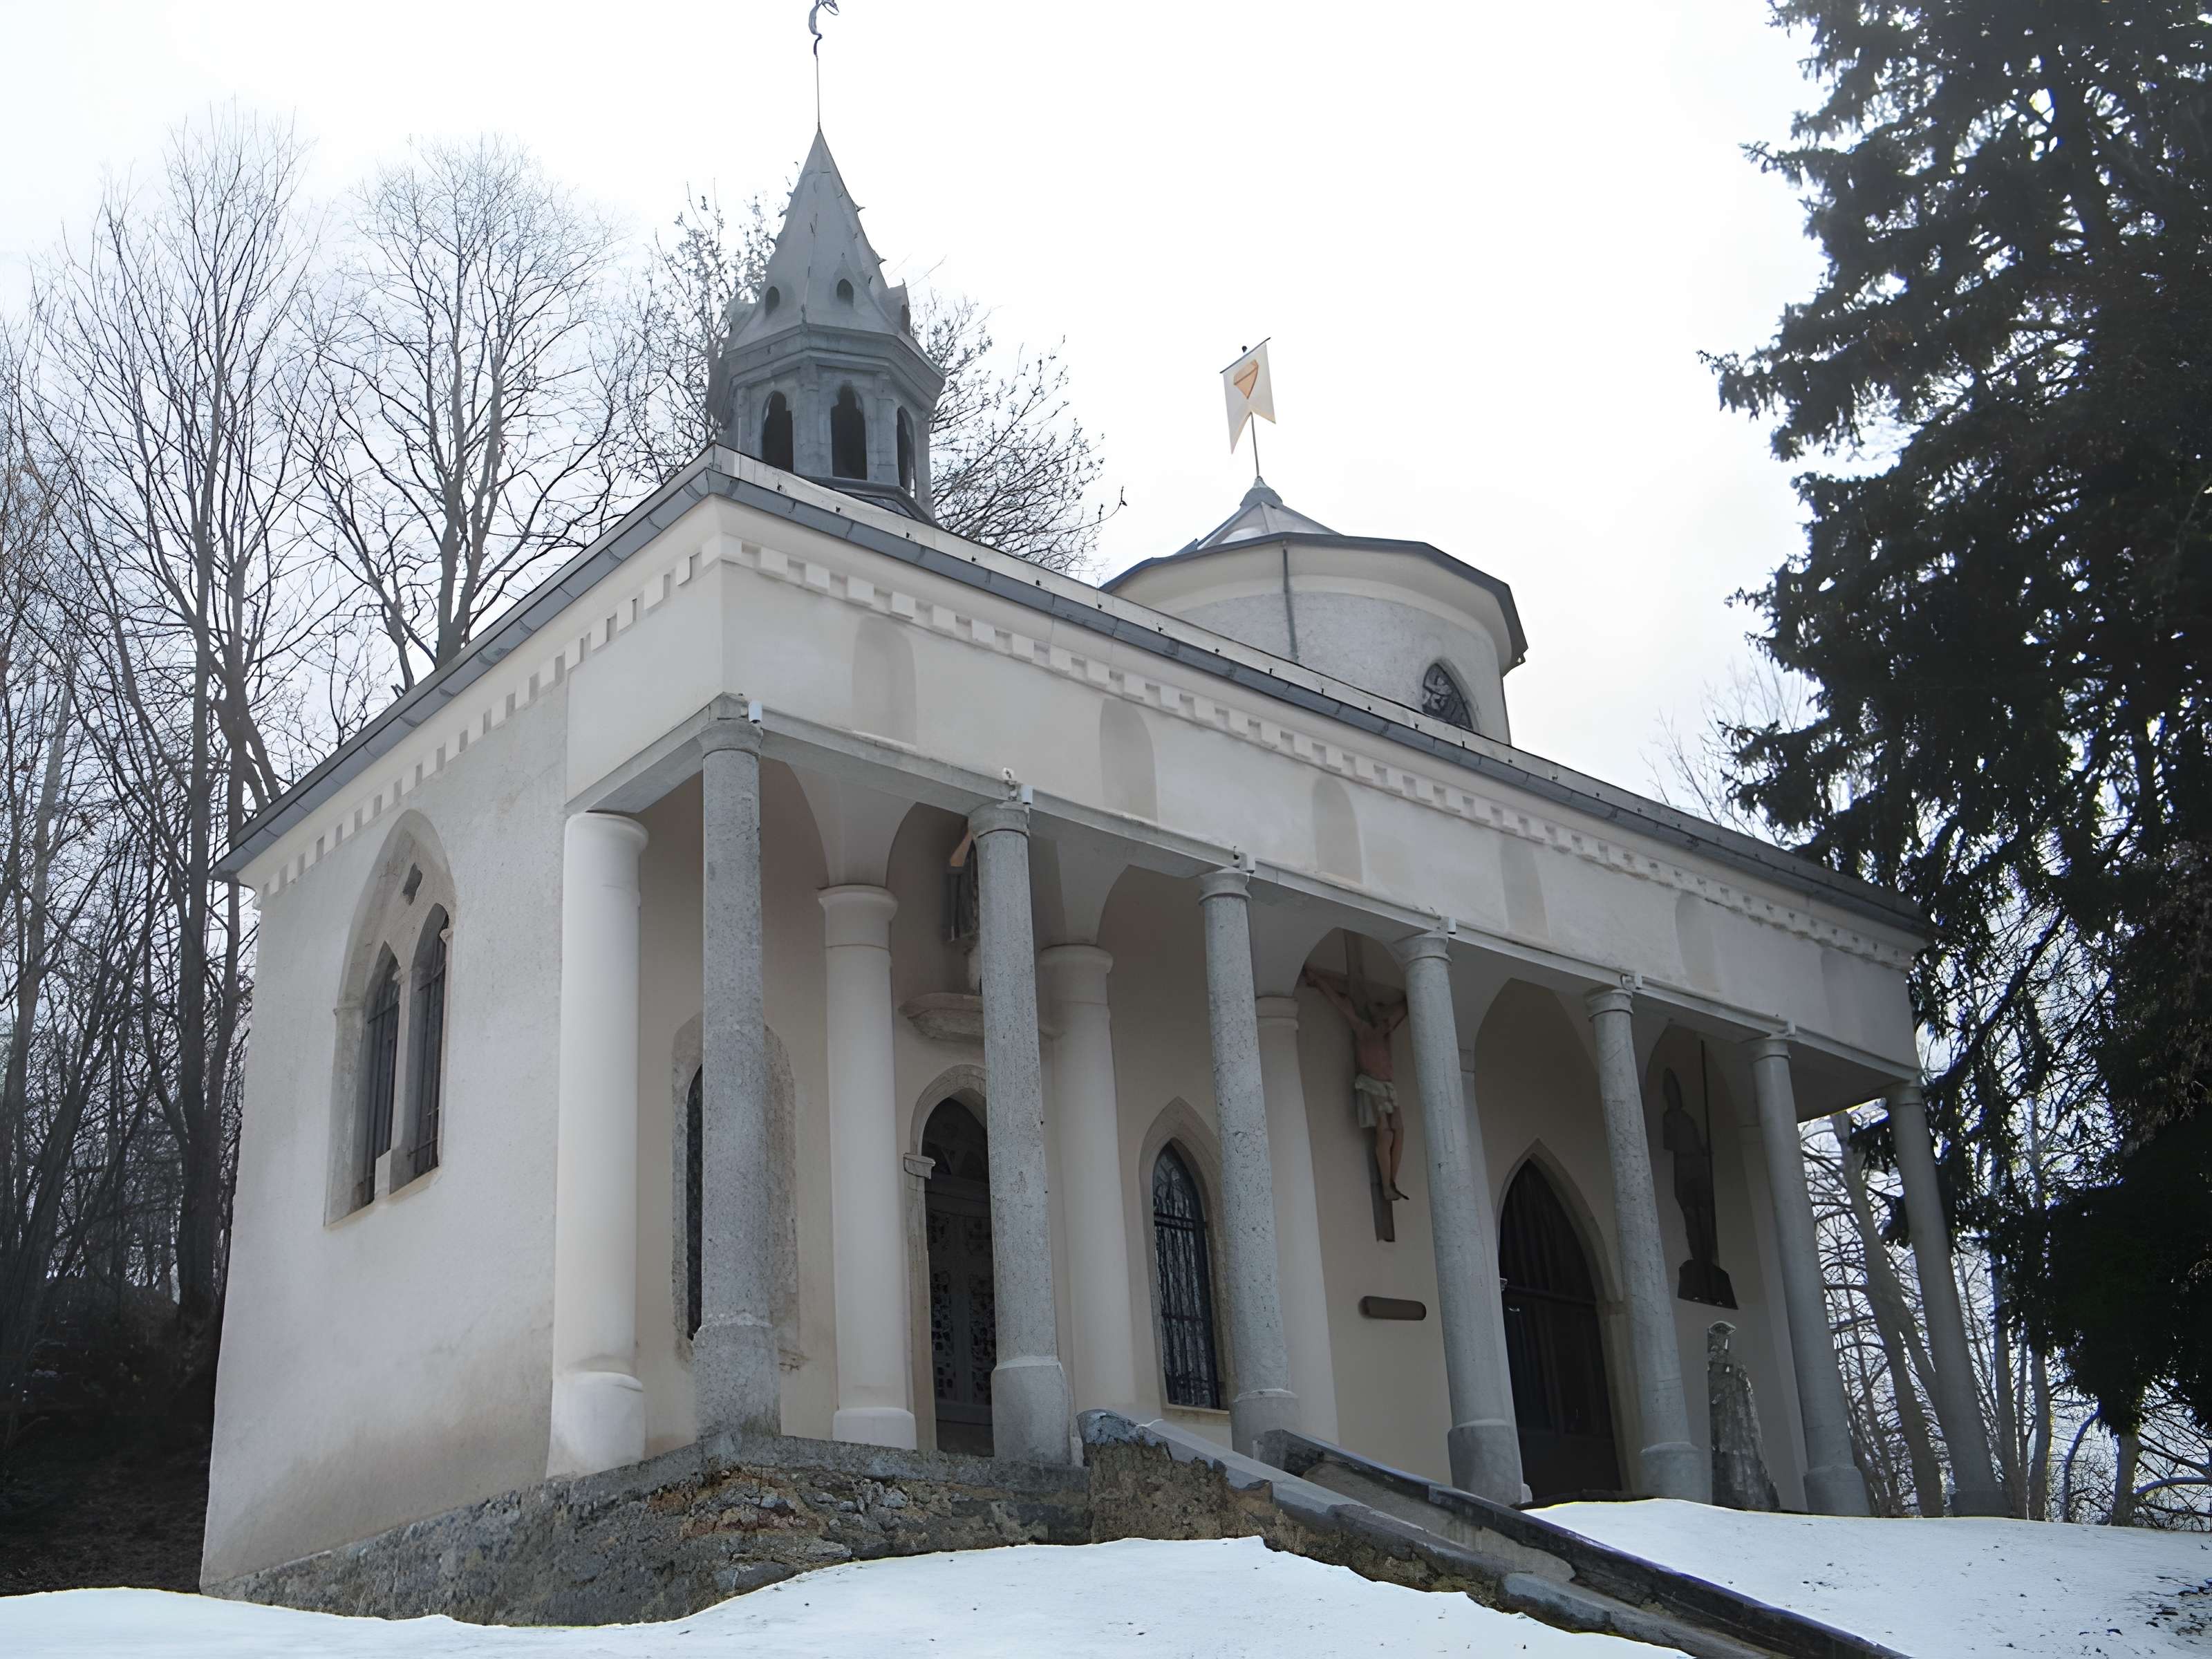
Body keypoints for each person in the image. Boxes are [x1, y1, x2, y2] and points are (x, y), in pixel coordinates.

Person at [1301, 966, 1411, 1200]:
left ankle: (1393, 1179)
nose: (1385, 1020)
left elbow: (1402, 1011)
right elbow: (1339, 1003)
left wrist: (1413, 994)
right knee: (1385, 1131)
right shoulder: (1363, 1029)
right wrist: (1317, 980)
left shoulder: (1385, 1030)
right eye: (1381, 1015)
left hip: (1388, 1087)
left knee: (1399, 1128)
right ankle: (1386, 1184)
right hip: (1371, 1084)